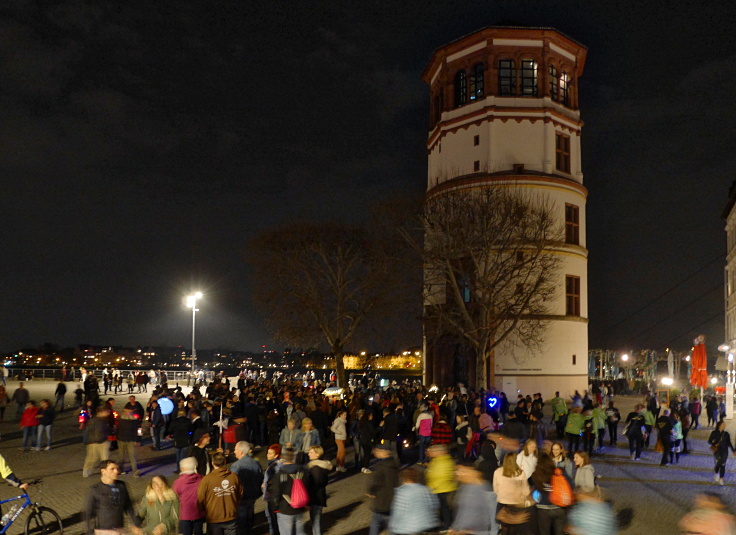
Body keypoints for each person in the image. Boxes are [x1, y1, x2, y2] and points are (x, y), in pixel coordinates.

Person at [85, 460, 143, 535]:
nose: (116, 471)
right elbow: (88, 512)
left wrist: (136, 524)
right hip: (103, 530)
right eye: (112, 469)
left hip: (119, 528)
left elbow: (128, 506)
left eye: (117, 469)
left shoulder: (121, 486)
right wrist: (89, 531)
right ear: (103, 471)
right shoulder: (95, 489)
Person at [197, 452, 242, 535]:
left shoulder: (207, 479)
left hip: (213, 517)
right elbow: (240, 493)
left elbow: (200, 498)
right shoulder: (234, 476)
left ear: (212, 463)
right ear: (225, 462)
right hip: (231, 515)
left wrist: (202, 511)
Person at [388, 467, 439, 535]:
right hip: (427, 525)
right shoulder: (426, 489)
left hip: (409, 528)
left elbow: (398, 511)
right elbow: (435, 505)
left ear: (403, 478)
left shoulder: (402, 491)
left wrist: (392, 527)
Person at [450, 463, 497, 535]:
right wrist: (455, 528)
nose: (458, 473)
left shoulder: (485, 490)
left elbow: (492, 516)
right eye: (457, 470)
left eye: (463, 470)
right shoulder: (463, 488)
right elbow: (462, 512)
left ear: (475, 472)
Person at [493, 453, 535, 533]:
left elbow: (495, 490)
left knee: (505, 529)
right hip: (517, 505)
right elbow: (526, 492)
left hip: (503, 504)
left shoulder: (497, 472)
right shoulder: (520, 473)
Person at [270, 447, 307, 535]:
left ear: (282, 457)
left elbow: (276, 493)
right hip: (300, 507)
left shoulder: (280, 474)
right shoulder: (302, 471)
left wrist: (275, 508)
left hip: (285, 508)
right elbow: (308, 487)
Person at [532, 453, 571, 535]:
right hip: (559, 507)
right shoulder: (559, 471)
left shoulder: (536, 474)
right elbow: (570, 484)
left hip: (543, 509)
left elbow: (535, 492)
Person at [230, 441, 263, 535]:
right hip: (253, 495)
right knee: (250, 516)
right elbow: (260, 478)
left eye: (235, 449)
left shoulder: (237, 465)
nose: (234, 451)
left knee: (241, 521)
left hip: (241, 497)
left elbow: (232, 482)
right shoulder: (256, 463)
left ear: (240, 451)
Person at [366, 444, 399, 535]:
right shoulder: (394, 464)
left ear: (383, 452)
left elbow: (375, 482)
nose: (375, 453)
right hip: (392, 499)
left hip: (381, 499)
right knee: (391, 524)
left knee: (375, 523)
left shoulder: (380, 466)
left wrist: (371, 491)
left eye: (377, 451)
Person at [425, 444, 457, 530]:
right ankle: (443, 523)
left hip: (443, 489)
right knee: (441, 508)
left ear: (439, 452)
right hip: (438, 489)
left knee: (444, 508)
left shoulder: (444, 461)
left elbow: (442, 477)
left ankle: (446, 525)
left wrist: (432, 487)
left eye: (432, 451)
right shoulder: (437, 460)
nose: (429, 453)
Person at [173, 457, 204, 535]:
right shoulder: (201, 479)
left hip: (185, 513)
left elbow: (175, 496)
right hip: (199, 512)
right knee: (199, 531)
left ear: (183, 468)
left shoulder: (178, 482)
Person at [305, 445, 331, 535]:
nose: (308, 454)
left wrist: (308, 501)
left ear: (317, 454)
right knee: (316, 521)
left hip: (315, 498)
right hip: (319, 497)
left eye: (311, 452)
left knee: (315, 522)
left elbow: (314, 485)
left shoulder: (315, 468)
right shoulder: (322, 467)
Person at [83, 406, 112, 478]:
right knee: (92, 458)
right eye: (106, 412)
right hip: (93, 442)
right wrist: (86, 441)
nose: (108, 413)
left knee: (105, 458)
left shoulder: (106, 420)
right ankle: (86, 471)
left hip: (104, 441)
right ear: (101, 412)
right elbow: (86, 431)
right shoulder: (93, 421)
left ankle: (106, 473)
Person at [262, 444, 282, 535]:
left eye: (270, 454)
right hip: (274, 496)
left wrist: (266, 485)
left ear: (276, 455)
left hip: (272, 497)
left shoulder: (274, 466)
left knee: (273, 520)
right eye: (267, 453)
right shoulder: (276, 464)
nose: (267, 455)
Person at [708, 420, 735, 485]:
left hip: (724, 451)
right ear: (719, 425)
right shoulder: (714, 433)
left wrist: (733, 450)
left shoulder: (726, 434)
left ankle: (721, 479)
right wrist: (714, 443)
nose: (724, 426)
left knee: (723, 464)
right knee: (718, 463)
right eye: (723, 425)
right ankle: (716, 473)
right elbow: (709, 441)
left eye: (725, 425)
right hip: (717, 450)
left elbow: (729, 443)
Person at [117, 408, 141, 477]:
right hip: (122, 440)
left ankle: (135, 471)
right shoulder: (120, 420)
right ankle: (120, 469)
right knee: (121, 456)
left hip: (131, 440)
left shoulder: (135, 421)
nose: (127, 414)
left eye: (129, 413)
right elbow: (117, 430)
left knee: (132, 456)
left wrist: (137, 440)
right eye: (125, 412)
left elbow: (139, 431)